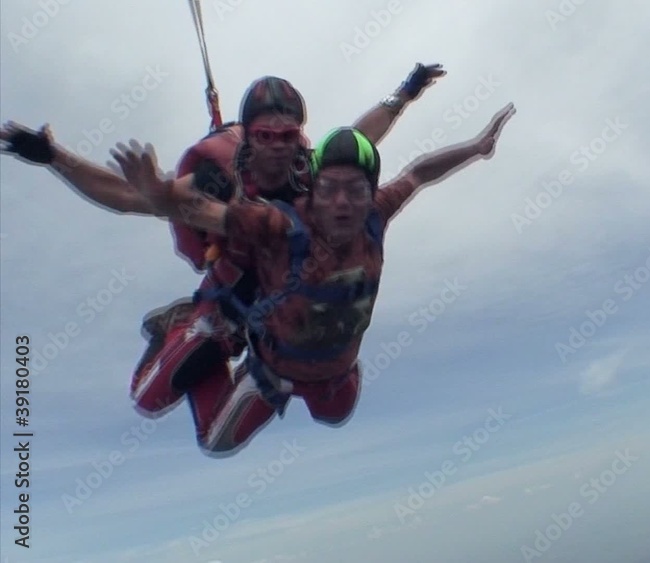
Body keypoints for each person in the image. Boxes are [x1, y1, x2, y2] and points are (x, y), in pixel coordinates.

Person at [0, 64, 444, 437]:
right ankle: (175, 328)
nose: (277, 146)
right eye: (266, 135)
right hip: (231, 300)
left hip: (278, 304)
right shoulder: (217, 181)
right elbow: (127, 197)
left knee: (327, 411)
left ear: (299, 135)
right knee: (148, 400)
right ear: (249, 136)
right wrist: (55, 157)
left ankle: (261, 366)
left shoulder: (311, 170)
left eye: (287, 135)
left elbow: (363, 134)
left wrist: (405, 92)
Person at [109, 102, 517, 455]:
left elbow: (421, 172)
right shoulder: (281, 224)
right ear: (313, 191)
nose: (342, 204)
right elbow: (202, 211)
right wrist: (157, 193)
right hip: (274, 372)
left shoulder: (376, 212)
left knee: (335, 414)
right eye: (330, 191)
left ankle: (267, 358)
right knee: (214, 441)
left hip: (332, 372)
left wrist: (476, 147)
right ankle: (190, 331)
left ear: (370, 192)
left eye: (355, 191)